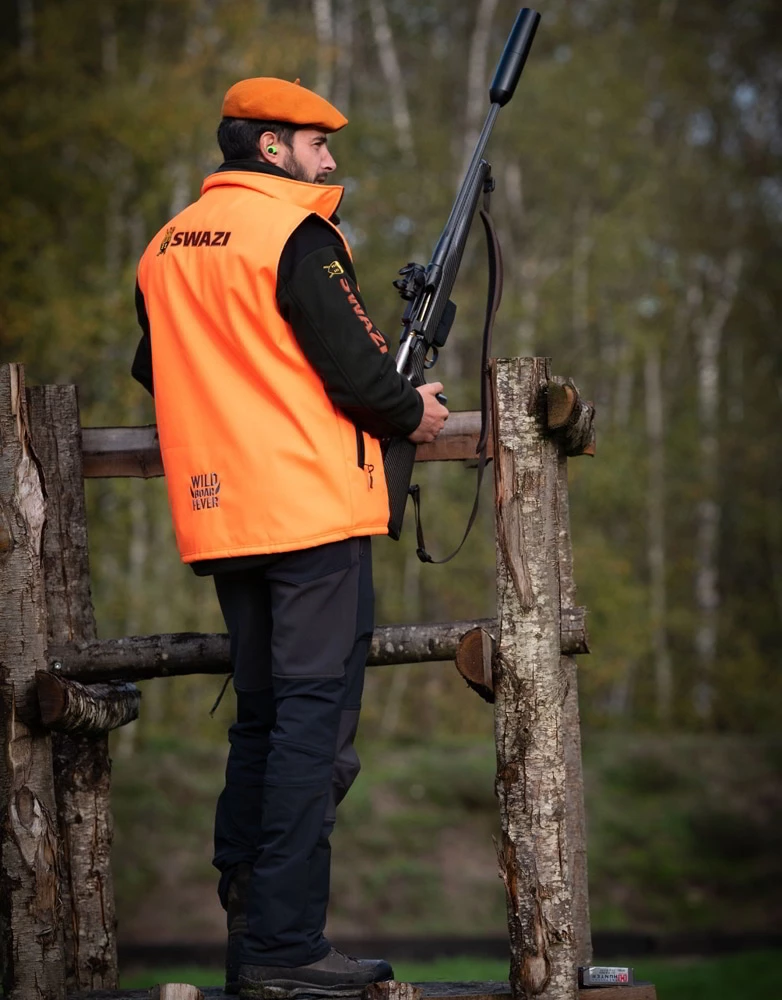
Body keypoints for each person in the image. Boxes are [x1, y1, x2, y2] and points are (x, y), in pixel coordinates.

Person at [131, 77, 448, 999]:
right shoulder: (294, 236)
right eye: (317, 143)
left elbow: (157, 366)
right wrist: (413, 411)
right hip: (309, 511)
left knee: (266, 718)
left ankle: (251, 918)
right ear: (271, 148)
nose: (330, 159)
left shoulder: (166, 246)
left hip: (220, 513)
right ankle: (286, 949)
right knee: (316, 724)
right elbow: (361, 376)